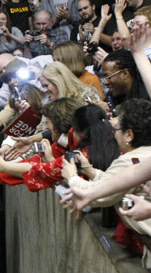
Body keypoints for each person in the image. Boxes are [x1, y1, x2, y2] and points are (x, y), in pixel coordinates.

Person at [60, 99, 151, 267]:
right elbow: (118, 182)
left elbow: (100, 196)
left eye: (116, 129)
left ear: (129, 135)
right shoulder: (143, 155)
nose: (112, 133)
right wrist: (91, 171)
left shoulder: (132, 159)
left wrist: (72, 177)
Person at [0, 99, 120, 192]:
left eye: (48, 124)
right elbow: (35, 163)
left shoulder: (83, 153)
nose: (46, 128)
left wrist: (4, 167)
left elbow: (44, 169)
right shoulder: (70, 140)